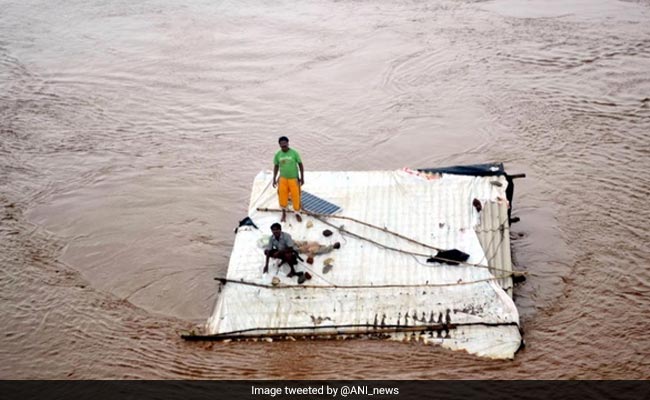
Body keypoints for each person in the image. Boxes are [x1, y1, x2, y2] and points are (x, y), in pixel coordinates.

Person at [272, 136, 304, 223]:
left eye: (285, 145)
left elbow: (300, 165)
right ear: (279, 145)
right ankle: (284, 213)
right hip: (283, 179)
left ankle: (297, 213)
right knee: (282, 196)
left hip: (293, 179)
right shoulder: (278, 154)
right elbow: (276, 166)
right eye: (282, 146)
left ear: (288, 144)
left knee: (296, 196)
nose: (284, 148)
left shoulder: (294, 153)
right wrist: (274, 178)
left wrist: (302, 177)